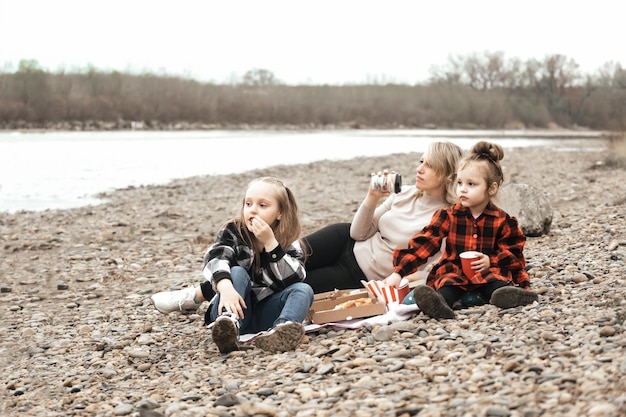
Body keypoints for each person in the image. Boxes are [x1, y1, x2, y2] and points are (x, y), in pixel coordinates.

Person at [150, 176, 314, 354]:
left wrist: (271, 245)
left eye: (262, 205)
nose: (253, 211)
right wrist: (226, 288)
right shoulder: (234, 231)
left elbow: (294, 278)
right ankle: (228, 328)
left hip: (265, 314)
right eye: (248, 204)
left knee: (303, 290)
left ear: (280, 213)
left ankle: (282, 332)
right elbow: (216, 257)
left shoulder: (289, 242)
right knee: (237, 272)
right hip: (231, 308)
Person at [385, 141, 538, 319]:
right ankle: (438, 305)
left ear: (491, 188)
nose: (463, 189)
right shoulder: (447, 216)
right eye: (459, 183)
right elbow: (424, 244)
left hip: (487, 271)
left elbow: (514, 254)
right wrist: (399, 272)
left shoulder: (503, 221)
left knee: (497, 282)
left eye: (471, 184)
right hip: (455, 271)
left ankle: (509, 296)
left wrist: (490, 260)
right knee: (446, 285)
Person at [302, 141, 464, 293]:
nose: (419, 169)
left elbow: (443, 268)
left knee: (297, 283)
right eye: (421, 162)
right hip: (344, 240)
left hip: (360, 274)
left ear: (447, 175)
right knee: (288, 256)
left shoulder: (449, 218)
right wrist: (372, 197)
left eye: (429, 166)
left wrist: (403, 279)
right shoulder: (404, 193)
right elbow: (357, 233)